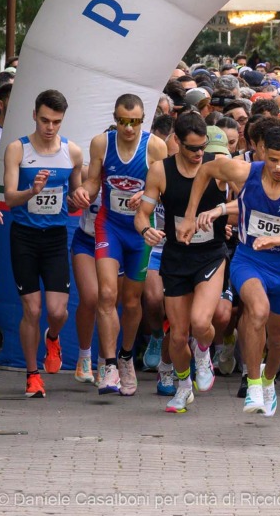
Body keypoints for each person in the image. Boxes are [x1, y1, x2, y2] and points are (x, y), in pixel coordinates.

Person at [180, 124, 280, 416]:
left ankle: (269, 380)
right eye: (273, 159)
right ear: (262, 152)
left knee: (278, 337)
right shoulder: (244, 172)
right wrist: (190, 214)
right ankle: (254, 382)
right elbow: (207, 171)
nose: (279, 166)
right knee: (257, 311)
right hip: (249, 258)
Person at [72, 94, 168, 395]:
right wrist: (82, 192)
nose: (129, 128)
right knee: (107, 294)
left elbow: (166, 189)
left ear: (143, 120)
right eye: (124, 121)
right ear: (115, 119)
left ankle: (126, 356)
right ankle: (110, 364)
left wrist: (150, 195)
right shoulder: (101, 143)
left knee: (131, 300)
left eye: (136, 122)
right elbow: (93, 182)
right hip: (109, 225)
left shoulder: (154, 146)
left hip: (140, 230)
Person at [134, 111, 229, 412]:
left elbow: (251, 194)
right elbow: (141, 213)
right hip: (176, 255)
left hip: (211, 254)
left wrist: (221, 210)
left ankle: (203, 353)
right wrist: (146, 229)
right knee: (176, 335)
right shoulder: (161, 171)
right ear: (176, 141)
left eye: (203, 147)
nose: (198, 154)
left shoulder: (218, 168)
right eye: (191, 148)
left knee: (201, 323)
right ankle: (183, 387)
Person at [1, 90, 83, 397]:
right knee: (32, 309)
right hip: (24, 235)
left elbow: (75, 201)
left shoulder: (72, 152)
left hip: (55, 237)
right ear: (34, 115)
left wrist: (79, 198)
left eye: (56, 122)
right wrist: (32, 191)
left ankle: (53, 338)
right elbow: (10, 197)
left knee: (57, 311)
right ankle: (32, 375)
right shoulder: (17, 150)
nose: (50, 127)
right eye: (45, 120)